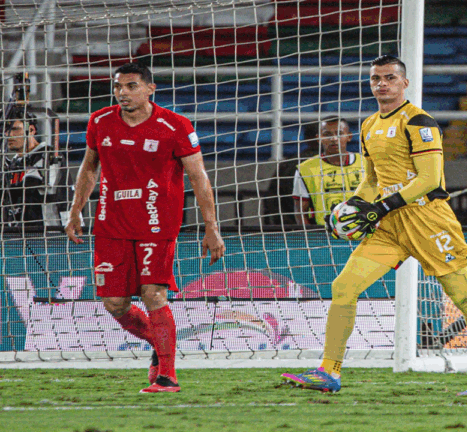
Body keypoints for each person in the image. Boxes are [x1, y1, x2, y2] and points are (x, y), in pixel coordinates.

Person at [281, 55, 467, 396]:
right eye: (375, 78)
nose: (381, 83)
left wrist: (381, 206)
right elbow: (372, 179)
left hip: (428, 221)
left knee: (464, 298)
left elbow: (429, 179)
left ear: (404, 83)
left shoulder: (419, 121)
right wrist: (350, 206)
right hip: (389, 224)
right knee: (344, 287)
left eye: (389, 77)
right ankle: (328, 372)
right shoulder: (370, 124)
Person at [65, 62, 225, 393]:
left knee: (153, 293)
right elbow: (89, 167)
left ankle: (167, 375)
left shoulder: (175, 125)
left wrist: (212, 226)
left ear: (150, 89)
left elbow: (198, 177)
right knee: (115, 303)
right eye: (118, 87)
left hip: (157, 222)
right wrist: (76, 210)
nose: (122, 93)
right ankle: (160, 342)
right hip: (111, 223)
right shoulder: (100, 121)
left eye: (131, 86)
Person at [2, 106, 70, 228]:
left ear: (31, 130)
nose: (9, 135)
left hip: (53, 230)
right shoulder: (14, 163)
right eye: (6, 130)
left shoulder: (50, 155)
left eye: (15, 129)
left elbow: (32, 184)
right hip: (23, 230)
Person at [292, 116, 364, 225]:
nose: (334, 139)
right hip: (324, 236)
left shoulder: (366, 163)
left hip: (365, 234)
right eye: (327, 135)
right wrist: (309, 239)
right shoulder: (305, 169)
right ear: (318, 138)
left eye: (339, 133)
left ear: (349, 136)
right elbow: (300, 212)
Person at [262, 123, 320, 226]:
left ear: (306, 138)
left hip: (291, 230)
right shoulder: (342, 164)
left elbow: (272, 199)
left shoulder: (288, 163)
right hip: (331, 229)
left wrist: (283, 223)